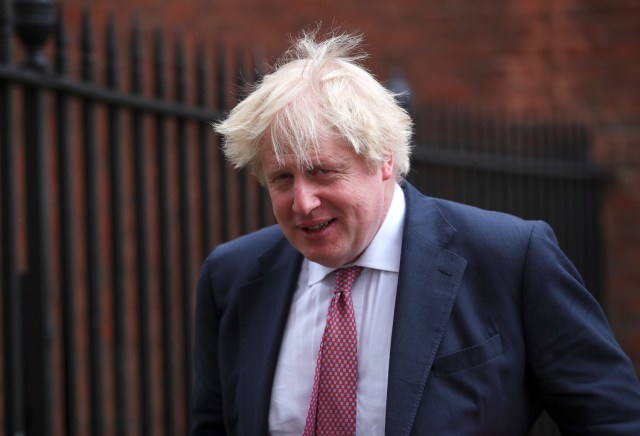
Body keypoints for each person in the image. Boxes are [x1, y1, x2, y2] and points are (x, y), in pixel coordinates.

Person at [190, 30, 640, 435]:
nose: (302, 202)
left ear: (385, 160)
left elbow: (612, 418)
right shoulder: (231, 276)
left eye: (323, 172)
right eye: (282, 179)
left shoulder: (510, 258)